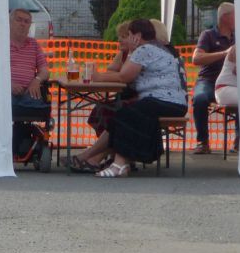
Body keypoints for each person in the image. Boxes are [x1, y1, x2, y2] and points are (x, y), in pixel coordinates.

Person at [68, 19, 188, 178]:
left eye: (129, 35)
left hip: (165, 101)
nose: (126, 38)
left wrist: (100, 76)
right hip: (174, 103)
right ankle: (104, 160)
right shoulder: (161, 49)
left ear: (137, 36)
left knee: (124, 115)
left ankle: (116, 163)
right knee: (123, 114)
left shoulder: (144, 49)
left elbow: (124, 76)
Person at [190, 2, 234, 155]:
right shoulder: (208, 35)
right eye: (236, 16)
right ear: (226, 17)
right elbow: (196, 59)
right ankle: (203, 142)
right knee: (200, 99)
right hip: (209, 80)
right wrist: (224, 53)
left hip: (232, 81)